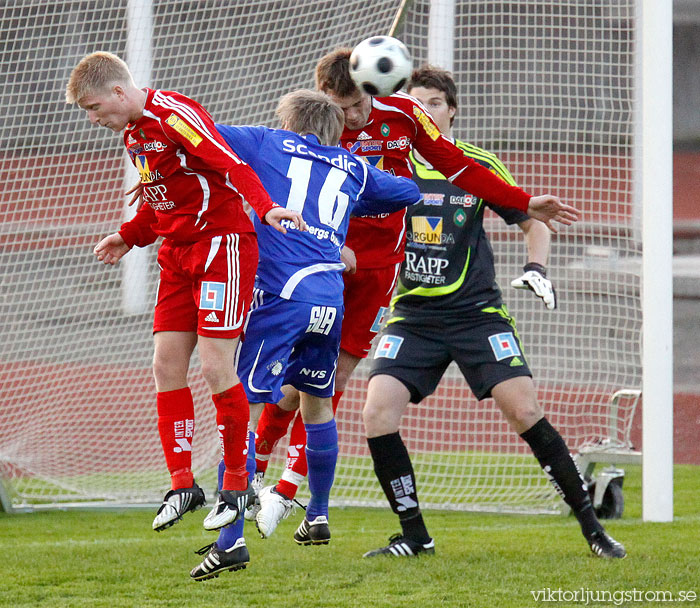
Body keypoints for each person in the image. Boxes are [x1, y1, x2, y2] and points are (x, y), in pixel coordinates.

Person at [249, 48, 579, 536]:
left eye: (362, 104)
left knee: (330, 377)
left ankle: (291, 491)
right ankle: (253, 473)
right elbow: (279, 188)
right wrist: (326, 242)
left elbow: (459, 166)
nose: (357, 117)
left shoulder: (403, 116)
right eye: (345, 109)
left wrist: (524, 201)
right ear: (325, 99)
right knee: (294, 385)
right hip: (321, 260)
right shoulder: (309, 132)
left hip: (381, 269)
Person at [361, 65, 626, 559]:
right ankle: (416, 537)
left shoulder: (474, 164)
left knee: (525, 412)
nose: (426, 112)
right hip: (411, 316)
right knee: (376, 414)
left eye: (435, 103)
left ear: (453, 108)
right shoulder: (383, 165)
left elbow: (533, 222)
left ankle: (595, 531)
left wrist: (536, 267)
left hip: (476, 313)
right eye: (415, 105)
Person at [187, 89, 423, 580]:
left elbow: (203, 134)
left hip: (281, 298)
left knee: (242, 410)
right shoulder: (352, 166)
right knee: (317, 399)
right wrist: (344, 205)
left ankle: (230, 542)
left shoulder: (266, 141)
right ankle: (317, 514)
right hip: (329, 298)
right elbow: (408, 192)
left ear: (290, 123)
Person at [66, 52, 304, 537]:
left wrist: (267, 207)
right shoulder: (135, 134)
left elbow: (231, 164)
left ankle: (237, 483)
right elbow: (164, 202)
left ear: (118, 92)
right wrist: (128, 235)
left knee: (216, 365)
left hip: (222, 247)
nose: (93, 119)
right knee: (164, 365)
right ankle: (182, 485)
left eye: (93, 107)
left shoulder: (174, 114)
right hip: (176, 256)